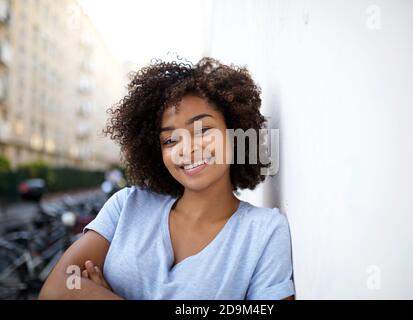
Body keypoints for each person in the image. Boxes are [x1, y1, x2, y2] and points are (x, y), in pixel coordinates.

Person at [38, 57, 295, 300]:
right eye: (170, 140)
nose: (186, 148)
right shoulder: (127, 206)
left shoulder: (264, 232)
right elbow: (60, 285)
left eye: (203, 129)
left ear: (234, 132)